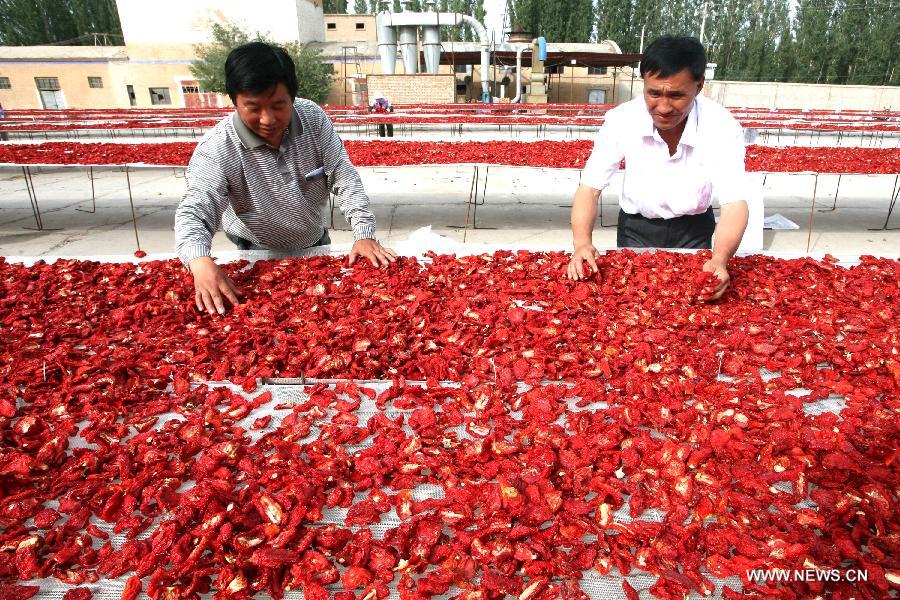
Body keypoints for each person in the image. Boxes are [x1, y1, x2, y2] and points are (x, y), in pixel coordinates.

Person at [175, 42, 396, 315]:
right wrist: (199, 262)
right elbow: (196, 208)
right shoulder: (218, 148)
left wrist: (364, 234)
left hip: (313, 241)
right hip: (254, 249)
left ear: (292, 96)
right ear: (234, 102)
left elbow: (343, 174)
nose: (268, 119)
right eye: (253, 108)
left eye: (278, 105)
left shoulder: (312, 119)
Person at [567, 36, 749, 300]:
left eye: (676, 95)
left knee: (694, 308)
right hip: (637, 228)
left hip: (694, 229)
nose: (663, 107)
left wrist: (720, 259)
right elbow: (590, 188)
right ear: (644, 83)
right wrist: (582, 242)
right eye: (654, 93)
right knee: (633, 303)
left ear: (698, 86)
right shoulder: (622, 120)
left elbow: (734, 202)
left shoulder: (721, 126)